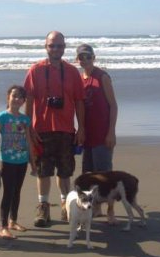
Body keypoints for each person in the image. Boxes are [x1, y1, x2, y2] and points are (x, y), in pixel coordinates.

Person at [24, 31, 85, 227]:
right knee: (43, 172)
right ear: (46, 47)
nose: (56, 49)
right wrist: (28, 127)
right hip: (41, 129)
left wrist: (81, 128)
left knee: (65, 172)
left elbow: (79, 102)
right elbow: (29, 100)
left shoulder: (72, 72)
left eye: (59, 46)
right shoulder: (35, 70)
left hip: (66, 129)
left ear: (64, 47)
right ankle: (43, 206)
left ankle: (66, 205)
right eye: (52, 45)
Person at [75, 43, 120, 223]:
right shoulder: (79, 79)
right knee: (89, 176)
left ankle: (110, 211)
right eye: (81, 57)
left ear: (94, 57)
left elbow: (113, 106)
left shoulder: (102, 77)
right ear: (77, 59)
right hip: (87, 136)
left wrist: (111, 132)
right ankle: (97, 208)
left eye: (88, 56)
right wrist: (80, 130)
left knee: (105, 176)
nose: (84, 60)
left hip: (103, 135)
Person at [0, 85, 37, 239]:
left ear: (23, 101)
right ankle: (3, 226)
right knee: (8, 193)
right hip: (7, 161)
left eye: (20, 97)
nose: (16, 99)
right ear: (8, 97)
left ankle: (13, 221)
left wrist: (32, 162)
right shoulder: (2, 117)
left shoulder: (25, 119)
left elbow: (28, 141)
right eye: (14, 96)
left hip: (22, 161)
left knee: (17, 192)